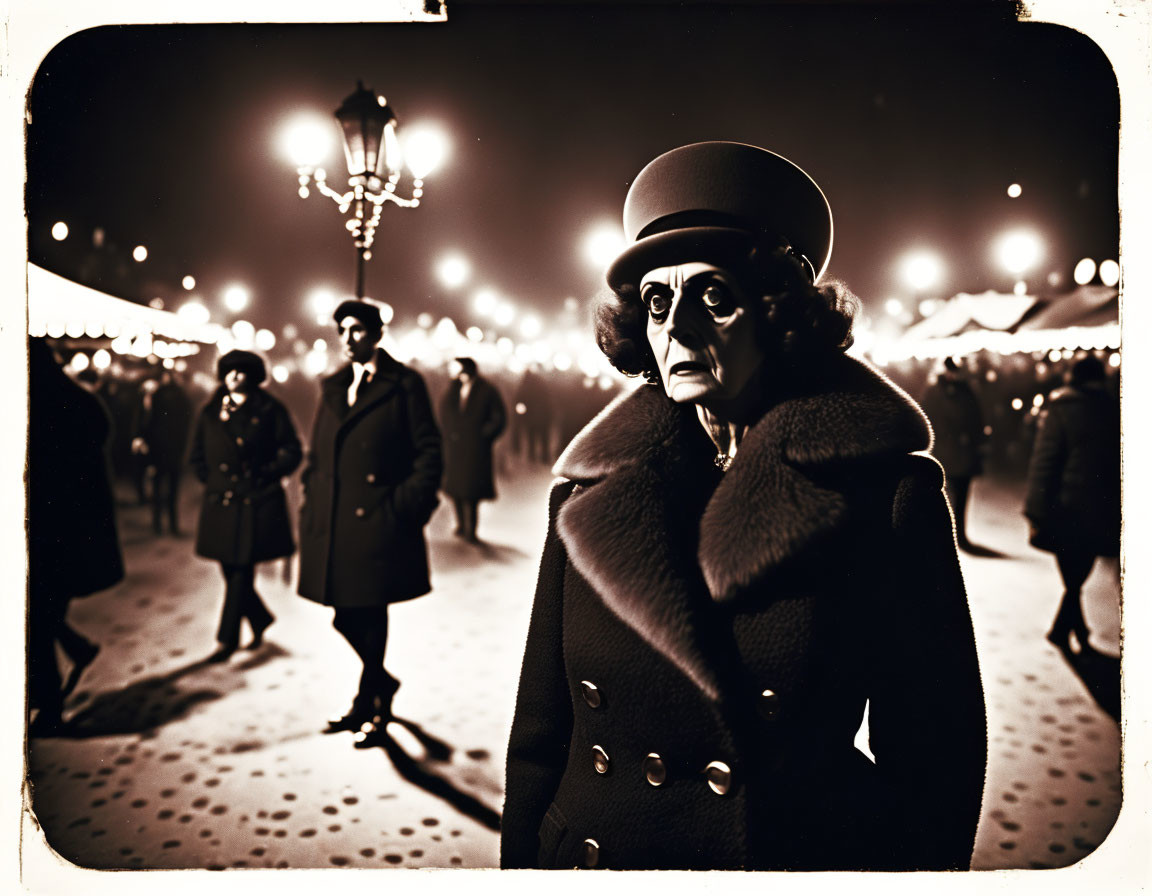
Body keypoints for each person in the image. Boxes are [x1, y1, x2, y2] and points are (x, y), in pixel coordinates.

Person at [502, 142, 986, 872]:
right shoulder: (585, 494)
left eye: (714, 297)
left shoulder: (886, 502)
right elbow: (541, 734)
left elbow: (933, 762)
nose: (677, 328)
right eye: (658, 303)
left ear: (778, 314)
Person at [297, 300, 442, 748]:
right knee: (344, 615)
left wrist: (402, 509)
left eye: (357, 330)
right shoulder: (334, 386)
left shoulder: (404, 384)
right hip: (337, 521)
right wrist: (310, 496)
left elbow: (429, 453)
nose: (347, 338)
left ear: (377, 334)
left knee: (371, 613)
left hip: (380, 520)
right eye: (342, 330)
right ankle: (379, 685)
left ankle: (374, 708)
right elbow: (319, 452)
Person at [28, 338, 124, 735]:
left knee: (35, 615)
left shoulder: (35, 402)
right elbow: (103, 432)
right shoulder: (78, 400)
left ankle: (49, 705)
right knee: (40, 611)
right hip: (70, 527)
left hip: (48, 525)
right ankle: (73, 650)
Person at [189, 350, 302, 661]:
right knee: (229, 568)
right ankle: (260, 618)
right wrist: (210, 480)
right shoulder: (211, 411)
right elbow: (196, 453)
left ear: (253, 377)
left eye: (242, 372)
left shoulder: (270, 409)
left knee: (241, 570)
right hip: (222, 501)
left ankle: (227, 640)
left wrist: (267, 474)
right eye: (229, 371)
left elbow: (291, 450)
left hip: (256, 501)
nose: (235, 376)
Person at [1024, 354, 1120, 653]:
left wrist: (1036, 509)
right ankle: (1072, 631)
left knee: (1073, 577)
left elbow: (1045, 462)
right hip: (1098, 507)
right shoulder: (1111, 407)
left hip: (1064, 508)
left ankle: (1067, 630)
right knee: (1077, 575)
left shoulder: (1061, 408)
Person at [920, 356, 986, 551]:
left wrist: (974, 441)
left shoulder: (965, 392)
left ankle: (959, 535)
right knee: (944, 497)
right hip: (944, 453)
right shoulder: (934, 392)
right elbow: (928, 417)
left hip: (961, 453)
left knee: (960, 496)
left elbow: (976, 420)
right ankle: (946, 536)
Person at [438, 357, 507, 543]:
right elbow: (443, 412)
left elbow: (499, 417)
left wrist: (485, 434)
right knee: (455, 489)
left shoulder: (486, 390)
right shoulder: (453, 388)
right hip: (455, 446)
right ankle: (461, 524)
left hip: (475, 448)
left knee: (472, 491)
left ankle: (471, 530)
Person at [132, 368, 194, 535]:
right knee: (172, 489)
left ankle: (158, 524)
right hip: (174, 449)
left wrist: (144, 440)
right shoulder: (182, 397)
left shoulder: (157, 396)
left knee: (158, 486)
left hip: (158, 449)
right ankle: (172, 525)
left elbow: (148, 422)